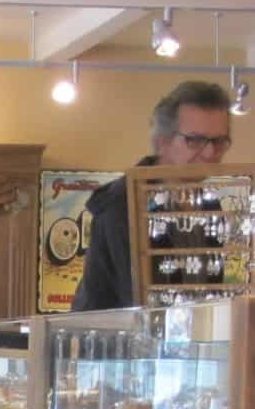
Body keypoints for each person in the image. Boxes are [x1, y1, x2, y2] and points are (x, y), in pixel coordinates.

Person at [72, 80, 233, 311]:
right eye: (195, 140)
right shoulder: (124, 202)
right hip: (119, 341)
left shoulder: (209, 203)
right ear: (162, 142)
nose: (209, 152)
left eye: (219, 141)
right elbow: (134, 300)